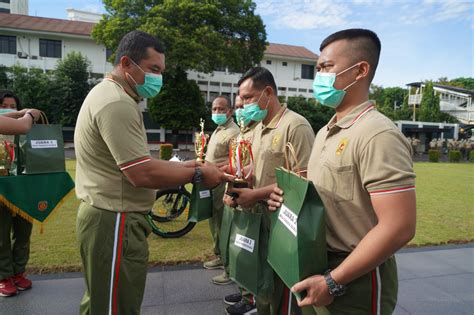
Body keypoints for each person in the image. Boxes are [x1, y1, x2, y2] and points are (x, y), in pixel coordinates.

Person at [74, 30, 227, 315]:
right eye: (153, 69)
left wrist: (191, 165)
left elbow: (139, 163)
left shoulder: (111, 95)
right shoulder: (117, 102)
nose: (159, 78)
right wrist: (198, 175)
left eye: (161, 71)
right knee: (115, 307)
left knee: (103, 302)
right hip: (115, 219)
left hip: (108, 217)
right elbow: (141, 173)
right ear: (126, 64)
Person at [268, 29, 416, 315]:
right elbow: (317, 193)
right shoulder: (325, 131)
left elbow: (399, 226)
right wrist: (286, 198)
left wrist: (333, 281)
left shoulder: (377, 134)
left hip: (355, 277)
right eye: (318, 68)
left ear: (360, 70)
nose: (318, 76)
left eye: (326, 67)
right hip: (318, 263)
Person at [228, 67, 315, 315]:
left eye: (247, 97)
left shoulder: (295, 126)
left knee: (283, 292)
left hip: (283, 225)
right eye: (241, 98)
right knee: (263, 286)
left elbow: (303, 182)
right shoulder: (259, 128)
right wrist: (238, 179)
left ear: (268, 92)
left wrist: (255, 194)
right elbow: (258, 165)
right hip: (260, 220)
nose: (243, 104)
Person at [0, 93, 41, 297]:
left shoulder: (27, 133)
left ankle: (18, 272)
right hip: (1, 189)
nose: (7, 110)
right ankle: (4, 277)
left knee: (23, 232)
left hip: (24, 188)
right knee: (1, 236)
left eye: (12, 106)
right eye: (3, 106)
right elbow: (23, 123)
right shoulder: (21, 125)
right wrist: (30, 115)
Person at [222, 94, 258, 314]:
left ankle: (251, 299)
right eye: (237, 106)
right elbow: (236, 169)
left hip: (257, 205)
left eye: (244, 105)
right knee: (240, 249)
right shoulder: (243, 134)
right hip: (240, 201)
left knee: (250, 253)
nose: (240, 110)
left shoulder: (256, 134)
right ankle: (245, 291)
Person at [203, 95, 239, 286]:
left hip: (222, 182)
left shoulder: (234, 132)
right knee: (214, 221)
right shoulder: (218, 130)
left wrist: (216, 170)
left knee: (224, 225)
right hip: (211, 181)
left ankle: (229, 269)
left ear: (230, 111)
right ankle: (219, 255)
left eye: (221, 109)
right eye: (214, 109)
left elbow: (236, 161)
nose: (217, 112)